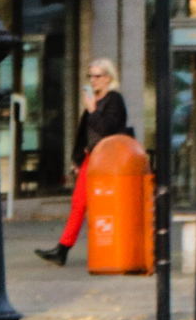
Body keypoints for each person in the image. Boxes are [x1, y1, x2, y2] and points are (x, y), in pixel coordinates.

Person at [36, 58, 130, 266]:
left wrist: (92, 110)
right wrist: (77, 159)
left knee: (109, 205)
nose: (93, 80)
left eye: (97, 76)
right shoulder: (95, 100)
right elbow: (84, 134)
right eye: (91, 76)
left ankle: (118, 249)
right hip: (91, 158)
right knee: (79, 203)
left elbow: (108, 129)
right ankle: (62, 249)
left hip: (108, 161)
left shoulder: (114, 100)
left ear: (108, 78)